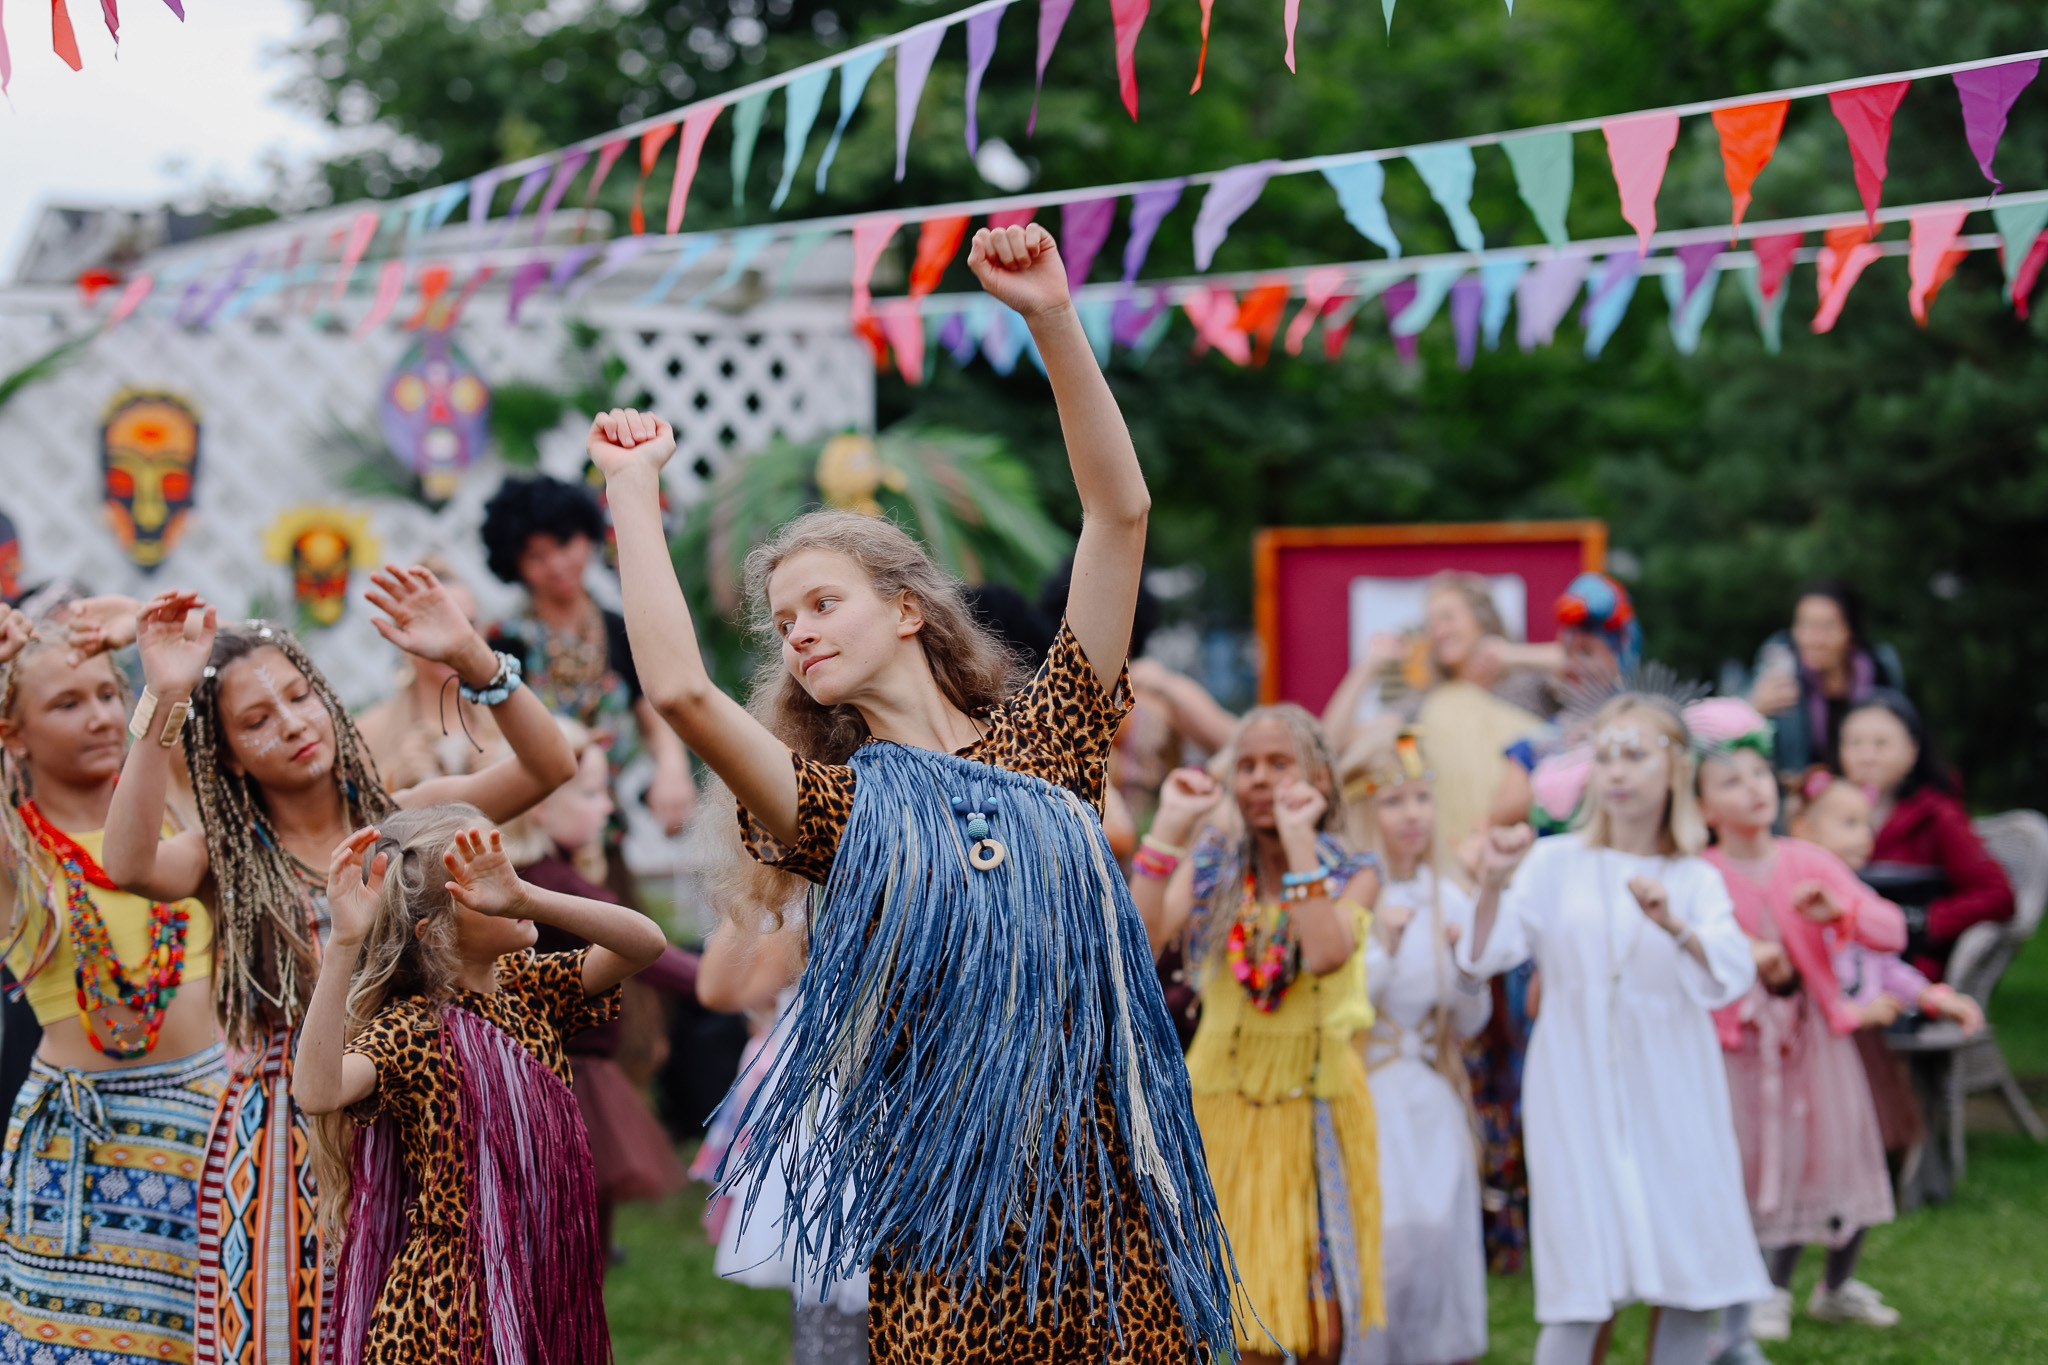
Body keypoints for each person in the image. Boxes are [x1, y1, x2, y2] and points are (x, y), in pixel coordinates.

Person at [590, 223, 1237, 1362]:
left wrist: (1048, 316)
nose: (796, 632)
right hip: (945, 1209)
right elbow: (683, 693)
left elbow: (1118, 515)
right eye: (782, 622)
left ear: (904, 608)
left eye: (821, 602)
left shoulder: (1054, 735)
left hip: (1101, 1184)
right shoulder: (838, 809)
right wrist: (631, 493)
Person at [98, 568, 576, 1365]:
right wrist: (163, 700)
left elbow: (549, 766)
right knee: (293, 1331)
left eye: (298, 696)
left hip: (420, 1113)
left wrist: (471, 655)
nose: (290, 723)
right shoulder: (221, 855)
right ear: (233, 756)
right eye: (256, 719)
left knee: (431, 1329)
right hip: (288, 1127)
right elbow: (127, 861)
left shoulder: (405, 820)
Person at [1455, 695, 1771, 1365]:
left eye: (1635, 754)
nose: (1618, 771)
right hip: (1576, 1086)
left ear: (1674, 768)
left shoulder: (1694, 876)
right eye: (1605, 755)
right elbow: (1485, 955)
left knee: (1689, 1267)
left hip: (1673, 1085)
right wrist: (1490, 884)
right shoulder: (1554, 863)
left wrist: (1675, 926)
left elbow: (1729, 972)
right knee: (1582, 1274)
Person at [292, 810, 666, 1361]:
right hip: (449, 1311)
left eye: (508, 870)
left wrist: (528, 898)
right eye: (485, 885)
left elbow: (646, 944)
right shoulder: (412, 1028)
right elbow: (318, 1093)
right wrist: (345, 942)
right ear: (435, 934)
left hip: (540, 1278)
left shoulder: (533, 988)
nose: (506, 884)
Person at [0, 604, 226, 1365]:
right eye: (67, 703)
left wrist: (145, 630)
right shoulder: (17, 854)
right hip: (87, 1150)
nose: (99, 715)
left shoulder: (180, 810)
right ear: (13, 733)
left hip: (215, 1125)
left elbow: (234, 681)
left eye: (106, 693)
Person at [1131, 706, 1382, 1365]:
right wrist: (1171, 831)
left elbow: (1325, 949)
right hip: (1223, 1109)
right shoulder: (1216, 865)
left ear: (1319, 778)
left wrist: (1300, 840)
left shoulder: (1354, 866)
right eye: (1247, 765)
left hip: (1313, 1109)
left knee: (1322, 1328)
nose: (1261, 779)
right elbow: (1139, 943)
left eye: (1279, 764)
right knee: (1245, 1329)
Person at [1690, 699, 1904, 1351]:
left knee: (1826, 1159)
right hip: (1735, 1050)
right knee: (1747, 1164)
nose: (1752, 788)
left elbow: (1890, 929)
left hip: (1811, 1046)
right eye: (1730, 780)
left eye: (1759, 774)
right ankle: (1743, 1289)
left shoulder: (1806, 860)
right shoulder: (1700, 874)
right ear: (1702, 807)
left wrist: (1840, 908)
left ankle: (1804, 1286)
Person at [498, 720, 694, 1262]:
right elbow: (653, 956)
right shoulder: (550, 882)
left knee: (581, 1223)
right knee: (572, 1229)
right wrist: (719, 982)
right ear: (539, 805)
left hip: (578, 1069)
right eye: (591, 793)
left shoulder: (555, 874)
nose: (608, 807)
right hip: (567, 1072)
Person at [1345, 729, 1490, 1365]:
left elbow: (1470, 1020)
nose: (1413, 817)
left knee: (1436, 1239)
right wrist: (1385, 948)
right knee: (1385, 1242)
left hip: (1429, 1097)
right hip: (1368, 1089)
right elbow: (1340, 1005)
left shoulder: (1448, 895)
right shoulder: (1349, 893)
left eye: (1421, 800)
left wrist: (1467, 967)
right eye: (1395, 802)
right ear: (1367, 811)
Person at [481, 473, 698, 849]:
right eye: (537, 555)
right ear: (514, 564)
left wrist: (672, 768)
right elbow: (485, 736)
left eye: (565, 543)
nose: (557, 564)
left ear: (587, 537)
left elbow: (655, 716)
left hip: (603, 829)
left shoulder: (619, 628)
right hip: (529, 837)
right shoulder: (504, 641)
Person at [1787, 771, 1984, 1155]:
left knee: (1867, 1130)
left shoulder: (1861, 898)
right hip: (1814, 1046)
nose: (1865, 835)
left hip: (1865, 1041)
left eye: (1867, 823)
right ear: (1803, 830)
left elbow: (1885, 966)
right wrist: (1855, 1011)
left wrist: (1931, 996)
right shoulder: (1797, 899)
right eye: (1849, 823)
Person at [1326, 573, 1547, 858]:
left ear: (1482, 619)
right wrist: (1369, 665)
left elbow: (1599, 673)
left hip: (1521, 849)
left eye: (1448, 617)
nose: (1438, 631)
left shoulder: (1531, 687)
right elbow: (1332, 743)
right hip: (1455, 858)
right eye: (1431, 624)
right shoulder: (1426, 702)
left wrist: (1513, 656)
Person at [1838, 690, 2012, 980]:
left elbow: (1997, 895)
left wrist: (1925, 921)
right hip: (1841, 959)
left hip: (1909, 971)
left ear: (1912, 750)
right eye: (1854, 743)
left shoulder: (1938, 816)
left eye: (1881, 744)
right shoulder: (1826, 812)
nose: (1866, 756)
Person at [355, 557, 502, 791]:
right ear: (403, 634)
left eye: (468, 625)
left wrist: (506, 774)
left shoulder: (509, 721)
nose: (455, 641)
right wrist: (394, 786)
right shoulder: (366, 735)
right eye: (439, 625)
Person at [1748, 582, 1904, 776]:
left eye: (1826, 626)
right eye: (1803, 624)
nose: (1812, 638)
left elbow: (1900, 733)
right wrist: (1752, 709)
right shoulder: (1780, 672)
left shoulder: (1880, 668)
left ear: (1850, 630)